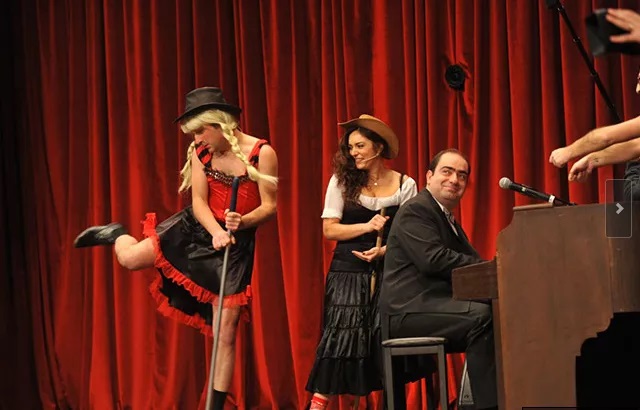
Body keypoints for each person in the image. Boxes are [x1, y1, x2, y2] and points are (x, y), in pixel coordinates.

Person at [73, 87, 278, 410]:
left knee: (226, 332)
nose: (197, 139)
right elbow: (198, 202)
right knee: (130, 259)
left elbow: (269, 206)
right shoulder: (201, 152)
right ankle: (116, 234)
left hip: (235, 243)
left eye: (201, 131)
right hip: (197, 230)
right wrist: (215, 231)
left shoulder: (261, 153)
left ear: (220, 124)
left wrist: (242, 221)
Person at [304, 114, 418, 409]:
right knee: (340, 337)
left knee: (382, 340)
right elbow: (330, 230)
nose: (353, 152)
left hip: (388, 271)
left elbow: (411, 236)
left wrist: (385, 251)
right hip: (347, 271)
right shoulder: (341, 182)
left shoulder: (405, 184)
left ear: (378, 148)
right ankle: (318, 405)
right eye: (350, 147)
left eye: (360, 146)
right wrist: (367, 226)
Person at [379, 149, 498, 410]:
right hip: (407, 310)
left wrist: (495, 269)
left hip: (429, 304)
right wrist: (491, 268)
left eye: (462, 175)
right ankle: (488, 406)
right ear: (429, 176)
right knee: (483, 317)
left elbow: (470, 261)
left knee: (499, 312)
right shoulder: (417, 210)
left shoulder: (444, 216)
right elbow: (433, 260)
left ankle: (512, 394)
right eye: (447, 171)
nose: (455, 179)